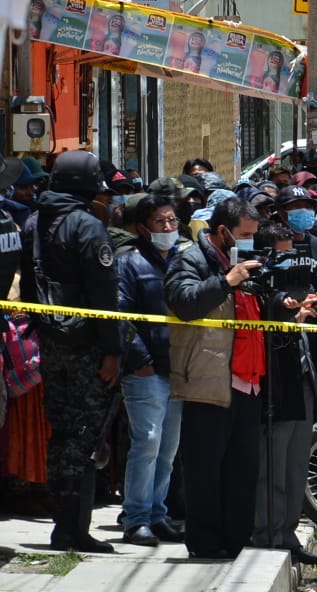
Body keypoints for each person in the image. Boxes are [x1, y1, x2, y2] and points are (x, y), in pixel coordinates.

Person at [20, 151, 121, 553]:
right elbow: (103, 294)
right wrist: (111, 350)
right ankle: (74, 529)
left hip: (50, 341)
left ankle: (63, 524)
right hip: (86, 347)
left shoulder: (33, 221)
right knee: (84, 435)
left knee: (61, 432)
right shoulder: (87, 225)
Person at [164, 196, 265, 559]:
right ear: (223, 232)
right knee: (205, 470)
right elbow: (182, 301)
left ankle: (236, 540)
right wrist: (226, 281)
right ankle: (206, 543)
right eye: (245, 235)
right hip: (208, 381)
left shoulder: (248, 261)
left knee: (242, 470)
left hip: (248, 382)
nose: (251, 242)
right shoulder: (190, 259)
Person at [250, 220, 317, 565]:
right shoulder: (254, 287)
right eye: (282, 257)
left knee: (295, 466)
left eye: (292, 256)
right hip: (274, 385)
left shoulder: (296, 286)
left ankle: (287, 534)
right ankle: (269, 534)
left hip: (304, 381)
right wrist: (290, 313)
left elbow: (312, 323)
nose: (289, 264)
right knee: (272, 466)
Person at [116, 195, 186, 547]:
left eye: (172, 220)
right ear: (143, 227)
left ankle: (157, 515)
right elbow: (121, 316)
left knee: (168, 449)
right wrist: (140, 361)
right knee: (147, 443)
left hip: (178, 368)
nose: (168, 228)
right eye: (160, 222)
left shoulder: (183, 260)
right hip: (145, 372)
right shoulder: (128, 263)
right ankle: (136, 519)